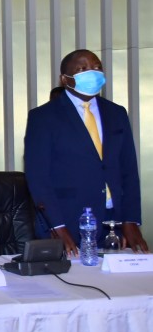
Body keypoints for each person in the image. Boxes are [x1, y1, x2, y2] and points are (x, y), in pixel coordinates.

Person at [24, 49, 148, 256]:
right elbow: (38, 177)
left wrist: (131, 220)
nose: (93, 72)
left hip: (114, 220)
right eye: (82, 69)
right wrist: (57, 226)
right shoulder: (43, 117)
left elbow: (129, 170)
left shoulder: (117, 113)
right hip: (67, 220)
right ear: (65, 79)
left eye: (97, 67)